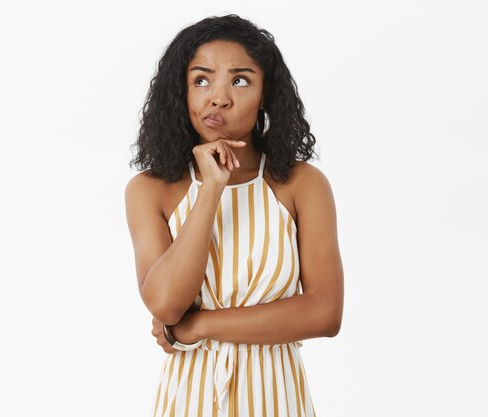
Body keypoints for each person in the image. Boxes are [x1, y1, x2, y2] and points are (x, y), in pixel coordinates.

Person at [125, 14, 344, 417]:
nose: (219, 97)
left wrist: (200, 326)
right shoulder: (150, 189)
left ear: (265, 93)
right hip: (188, 402)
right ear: (182, 92)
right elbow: (166, 305)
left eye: (240, 80)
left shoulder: (301, 184)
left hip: (278, 400)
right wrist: (210, 188)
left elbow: (324, 312)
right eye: (201, 80)